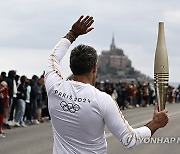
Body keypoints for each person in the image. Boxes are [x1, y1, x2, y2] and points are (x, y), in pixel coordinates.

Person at [45, 15, 169, 154]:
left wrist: (72, 34)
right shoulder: (102, 100)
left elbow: (53, 57)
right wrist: (156, 123)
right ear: (94, 68)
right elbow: (130, 139)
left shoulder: (54, 86)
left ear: (71, 67)